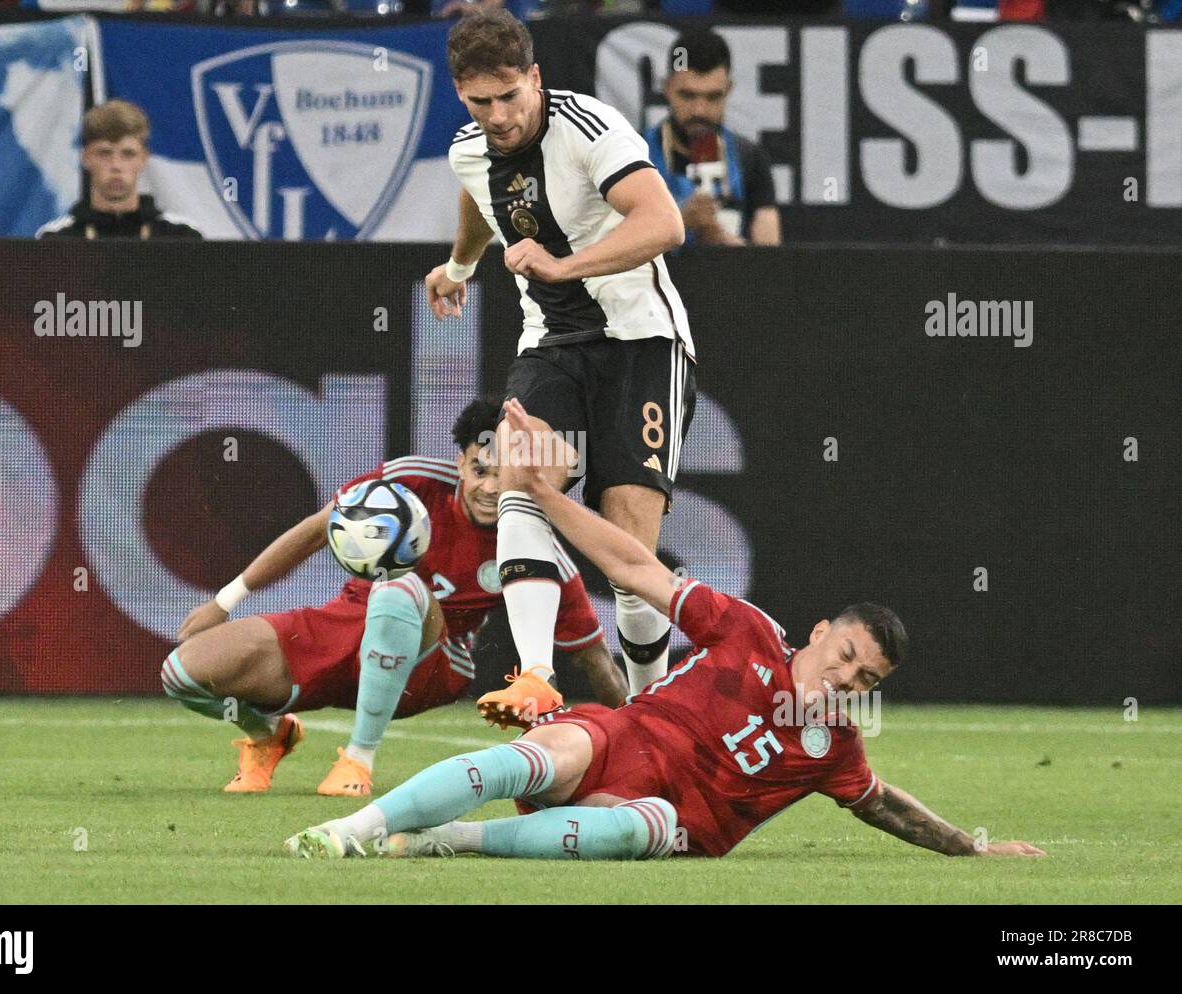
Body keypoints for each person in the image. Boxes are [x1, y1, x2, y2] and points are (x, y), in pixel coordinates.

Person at [280, 398, 1046, 861]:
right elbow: (636, 567)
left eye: (866, 681)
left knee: (635, 829)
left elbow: (885, 805)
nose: (846, 681)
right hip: (618, 744)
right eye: (847, 658)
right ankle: (353, 829)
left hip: (661, 822)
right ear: (820, 634)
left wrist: (970, 847)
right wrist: (547, 500)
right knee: (553, 747)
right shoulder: (745, 631)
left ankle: (439, 842)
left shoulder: (830, 747)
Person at [425, 9, 697, 725]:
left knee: (629, 561)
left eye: (511, 96)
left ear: (535, 77)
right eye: (481, 103)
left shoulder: (590, 128)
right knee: (521, 471)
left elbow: (664, 223)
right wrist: (459, 265)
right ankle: (538, 675)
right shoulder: (470, 150)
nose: (500, 116)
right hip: (551, 342)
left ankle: (652, 714)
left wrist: (562, 264)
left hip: (642, 342)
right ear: (461, 95)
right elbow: (481, 196)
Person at [163, 397, 625, 797]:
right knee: (182, 673)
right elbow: (314, 532)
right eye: (479, 469)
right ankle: (269, 736)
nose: (489, 487)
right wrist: (225, 601)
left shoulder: (533, 546)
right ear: (461, 461)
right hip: (342, 625)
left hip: (430, 664)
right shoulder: (410, 482)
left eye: (504, 474)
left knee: (400, 585)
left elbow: (594, 659)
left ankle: (358, 762)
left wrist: (640, 732)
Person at [647, 28, 781, 248]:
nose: (699, 110)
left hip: (729, 280)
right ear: (667, 88)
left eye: (712, 97)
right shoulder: (633, 153)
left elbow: (771, 263)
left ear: (728, 90)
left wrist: (723, 241)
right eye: (688, 95)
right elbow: (609, 249)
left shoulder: (749, 158)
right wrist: (679, 223)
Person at [37, 100, 201, 241]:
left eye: (128, 154)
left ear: (143, 159)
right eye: (104, 153)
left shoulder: (182, 236)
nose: (116, 165)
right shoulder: (55, 238)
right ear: (86, 158)